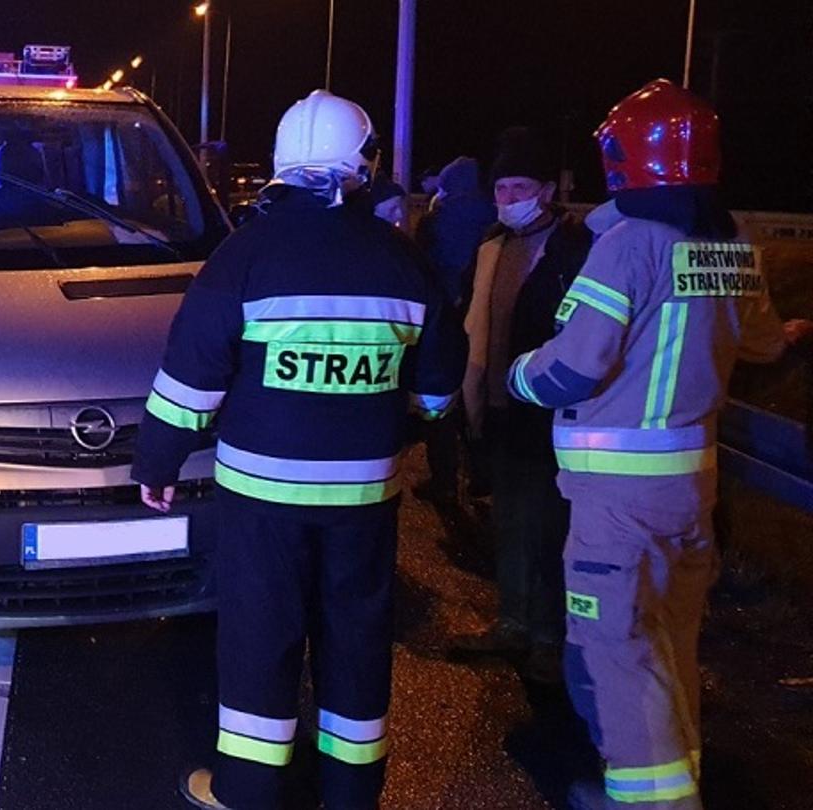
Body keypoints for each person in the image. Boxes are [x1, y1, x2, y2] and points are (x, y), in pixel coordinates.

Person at [135, 90, 464, 810]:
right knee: (356, 637)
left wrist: (157, 463)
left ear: (283, 164)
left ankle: (249, 790)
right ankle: (350, 795)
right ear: (363, 164)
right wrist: (393, 420)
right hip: (363, 503)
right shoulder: (402, 262)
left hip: (262, 500)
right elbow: (439, 390)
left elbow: (190, 375)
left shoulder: (244, 257)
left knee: (261, 636)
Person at [506, 79, 790, 809]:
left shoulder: (629, 244)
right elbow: (761, 343)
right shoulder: (733, 246)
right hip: (692, 490)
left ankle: (651, 802)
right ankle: (676, 778)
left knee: (618, 651)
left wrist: (517, 377)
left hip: (617, 500)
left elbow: (572, 366)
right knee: (671, 642)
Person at [446, 128, 592, 682]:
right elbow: (470, 319)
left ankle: (549, 638)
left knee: (552, 527)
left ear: (548, 190)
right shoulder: (492, 246)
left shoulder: (573, 249)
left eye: (519, 187)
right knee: (509, 520)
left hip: (552, 411)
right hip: (501, 405)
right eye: (501, 189)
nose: (508, 199)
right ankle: (512, 622)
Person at [414, 156, 499, 504]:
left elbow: (421, 269)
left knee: (445, 403)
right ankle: (481, 477)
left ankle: (444, 480)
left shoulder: (436, 220)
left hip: (445, 318)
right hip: (484, 318)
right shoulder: (495, 218)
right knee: (480, 399)